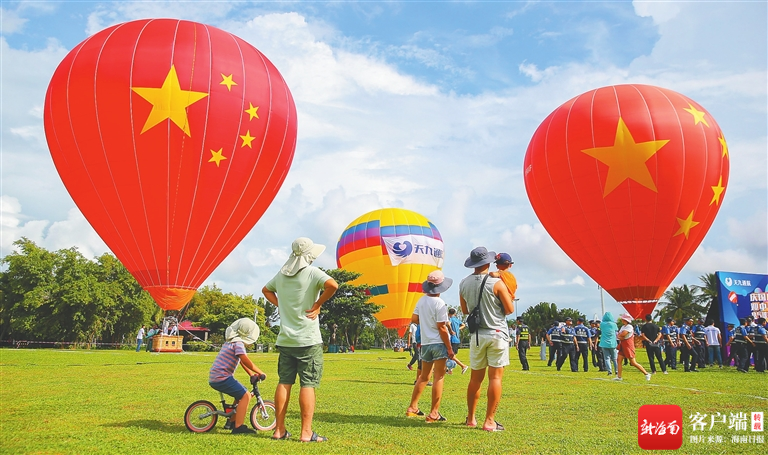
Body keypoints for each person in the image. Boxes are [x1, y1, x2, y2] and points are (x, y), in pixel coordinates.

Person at [262, 237, 339, 442]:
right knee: (308, 384)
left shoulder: (281, 274)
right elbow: (333, 285)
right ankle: (306, 433)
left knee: (284, 382)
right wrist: (317, 304)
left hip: (285, 340)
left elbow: (266, 290)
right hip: (308, 340)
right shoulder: (312, 272)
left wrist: (281, 304)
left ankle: (279, 430)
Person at [459, 247, 514, 432]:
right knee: (495, 377)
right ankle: (489, 421)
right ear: (488, 263)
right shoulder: (496, 282)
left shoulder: (463, 283)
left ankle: (471, 418)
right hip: (497, 332)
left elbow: (465, 310)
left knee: (475, 379)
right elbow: (509, 309)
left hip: (477, 335)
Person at [406, 270, 455, 423]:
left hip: (426, 343)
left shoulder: (421, 301)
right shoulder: (440, 303)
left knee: (423, 376)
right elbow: (442, 327)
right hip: (438, 343)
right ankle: (434, 413)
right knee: (439, 376)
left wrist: (426, 321)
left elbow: (414, 318)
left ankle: (412, 407)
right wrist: (449, 347)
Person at [208, 318, 266, 434]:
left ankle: (231, 421)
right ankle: (238, 427)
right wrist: (260, 372)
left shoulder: (231, 342)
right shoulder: (238, 344)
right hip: (222, 378)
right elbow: (245, 360)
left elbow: (241, 361)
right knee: (246, 395)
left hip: (217, 376)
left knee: (239, 395)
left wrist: (251, 374)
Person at [615, 313, 651, 381]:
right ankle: (619, 377)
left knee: (633, 362)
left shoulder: (629, 327)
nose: (622, 320)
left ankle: (646, 374)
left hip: (628, 346)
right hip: (622, 345)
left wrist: (620, 336)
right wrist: (620, 336)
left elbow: (622, 335)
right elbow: (619, 335)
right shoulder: (623, 327)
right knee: (619, 360)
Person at [447, 308, 469, 374]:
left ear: (448, 314)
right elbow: (464, 325)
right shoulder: (457, 320)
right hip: (457, 340)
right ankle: (450, 370)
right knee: (453, 355)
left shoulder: (450, 319)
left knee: (451, 355)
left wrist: (451, 331)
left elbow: (448, 324)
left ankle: (463, 366)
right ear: (455, 314)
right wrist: (458, 329)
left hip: (453, 339)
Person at [599, 312, 618, 377]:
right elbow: (616, 331)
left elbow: (600, 329)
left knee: (607, 358)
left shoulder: (602, 324)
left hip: (604, 343)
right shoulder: (614, 324)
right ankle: (617, 371)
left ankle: (609, 371)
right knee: (614, 358)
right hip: (613, 343)